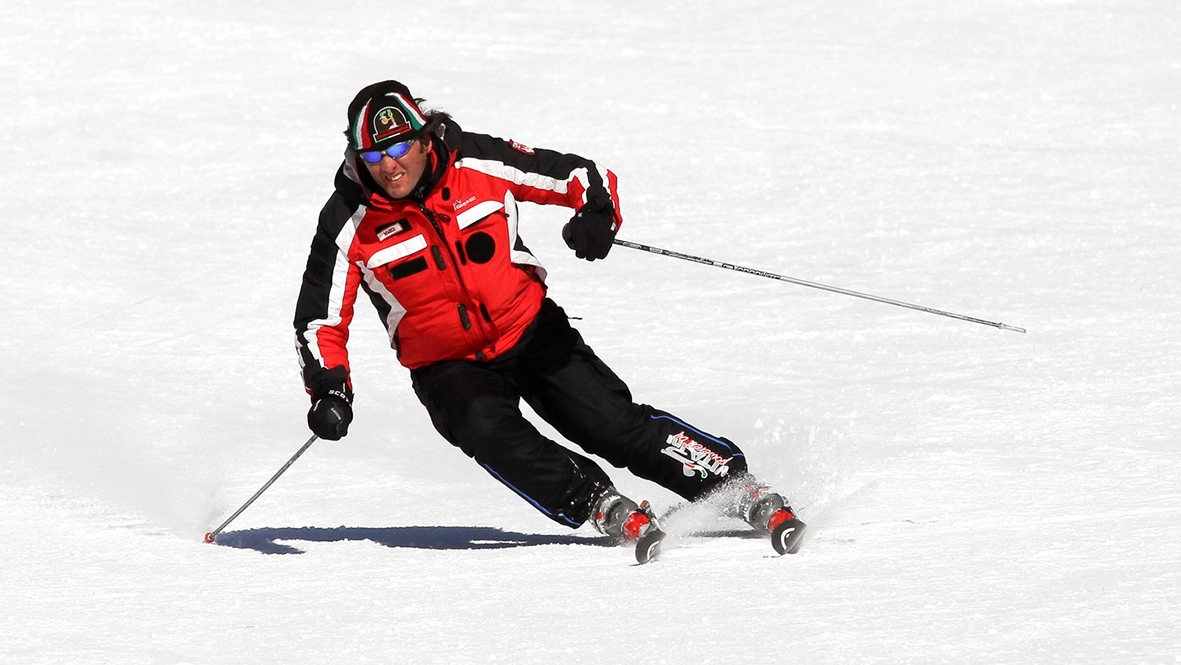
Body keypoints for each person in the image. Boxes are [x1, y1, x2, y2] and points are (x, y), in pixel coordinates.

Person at [293, 80, 803, 548]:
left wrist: (595, 214)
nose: (390, 164)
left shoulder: (477, 161)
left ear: (427, 139)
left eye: (400, 146)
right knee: (483, 428)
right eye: (375, 154)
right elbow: (319, 320)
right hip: (447, 364)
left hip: (530, 329)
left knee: (610, 425)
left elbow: (579, 175)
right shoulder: (348, 220)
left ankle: (739, 490)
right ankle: (598, 503)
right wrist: (330, 387)